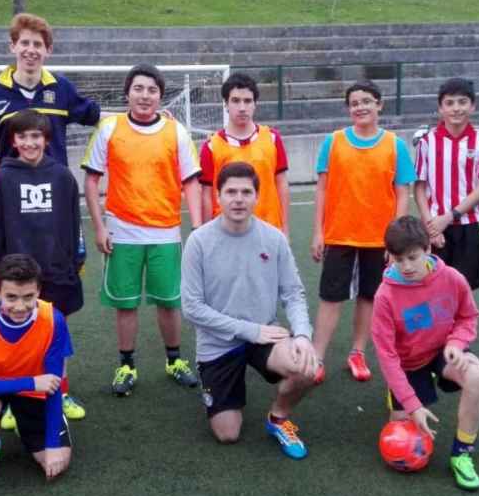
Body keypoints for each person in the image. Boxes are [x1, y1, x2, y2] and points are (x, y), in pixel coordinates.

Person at [182, 162, 319, 459]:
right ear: (218, 196)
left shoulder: (274, 238)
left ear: (257, 196)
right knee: (227, 434)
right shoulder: (198, 242)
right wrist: (251, 331)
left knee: (309, 367)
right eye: (231, 191)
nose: (239, 199)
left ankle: (278, 418)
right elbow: (192, 308)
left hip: (265, 335)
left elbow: (293, 293)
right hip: (219, 344)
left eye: (246, 192)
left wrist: (303, 336)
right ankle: (220, 391)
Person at [82, 63, 202, 397]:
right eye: (138, 88)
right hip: (122, 230)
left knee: (169, 302)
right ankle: (126, 365)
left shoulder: (176, 131)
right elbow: (91, 180)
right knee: (126, 303)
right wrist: (99, 226)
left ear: (161, 96)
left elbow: (191, 181)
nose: (145, 95)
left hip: (166, 231)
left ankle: (174, 360)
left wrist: (199, 227)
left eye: (152, 90)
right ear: (127, 92)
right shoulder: (109, 128)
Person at [310, 80, 416, 384]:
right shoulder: (334, 141)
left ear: (379, 104)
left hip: (378, 239)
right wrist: (318, 232)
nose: (361, 107)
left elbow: (402, 193)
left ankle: (358, 352)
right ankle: (317, 356)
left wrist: (397, 240)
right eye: (355, 103)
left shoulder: (394, 144)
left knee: (369, 297)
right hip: (339, 235)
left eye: (367, 101)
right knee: (331, 297)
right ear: (348, 108)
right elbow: (322, 190)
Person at [371, 216, 479, 491]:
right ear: (389, 256)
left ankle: (462, 453)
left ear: (428, 249)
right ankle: (403, 402)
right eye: (398, 260)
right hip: (407, 363)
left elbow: (468, 316)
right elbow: (388, 358)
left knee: (478, 376)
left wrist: (457, 343)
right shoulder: (384, 297)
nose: (407, 267)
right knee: (401, 433)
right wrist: (412, 405)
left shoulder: (452, 278)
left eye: (413, 257)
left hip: (443, 351)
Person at [0, 109, 87, 420]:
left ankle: (61, 392)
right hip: (17, 278)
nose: (30, 142)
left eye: (36, 136)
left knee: (56, 336)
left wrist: (75, 261)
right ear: (13, 141)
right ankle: (15, 402)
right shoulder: (2, 179)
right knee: (16, 339)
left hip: (56, 272)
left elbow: (74, 224)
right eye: (23, 136)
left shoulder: (62, 176)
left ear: (46, 139)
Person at [0, 254, 74, 485]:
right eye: (11, 297)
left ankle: (32, 424)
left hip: (34, 394)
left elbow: (53, 386)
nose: (20, 306)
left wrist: (52, 445)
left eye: (28, 297)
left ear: (38, 291)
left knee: (56, 464)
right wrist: (30, 382)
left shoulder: (53, 320)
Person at [0, 12, 101, 166]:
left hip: (55, 186)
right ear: (13, 46)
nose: (31, 50)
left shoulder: (62, 87)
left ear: (48, 50)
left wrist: (134, 120)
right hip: (11, 186)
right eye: (25, 43)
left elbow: (96, 116)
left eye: (37, 44)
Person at [414, 77, 479, 291]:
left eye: (462, 102)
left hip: (470, 225)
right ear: (440, 108)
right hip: (434, 226)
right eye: (449, 103)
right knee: (432, 287)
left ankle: (462, 326)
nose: (456, 108)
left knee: (463, 289)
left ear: (473, 106)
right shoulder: (427, 141)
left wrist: (450, 216)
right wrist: (431, 227)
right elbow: (419, 188)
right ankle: (437, 327)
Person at [199, 72, 291, 235]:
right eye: (235, 101)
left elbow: (281, 184)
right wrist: (207, 234)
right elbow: (206, 195)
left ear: (255, 104)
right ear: (226, 104)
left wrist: (285, 229)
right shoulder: (211, 147)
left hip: (268, 230)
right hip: (226, 233)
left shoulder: (272, 138)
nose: (242, 107)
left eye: (247, 101)